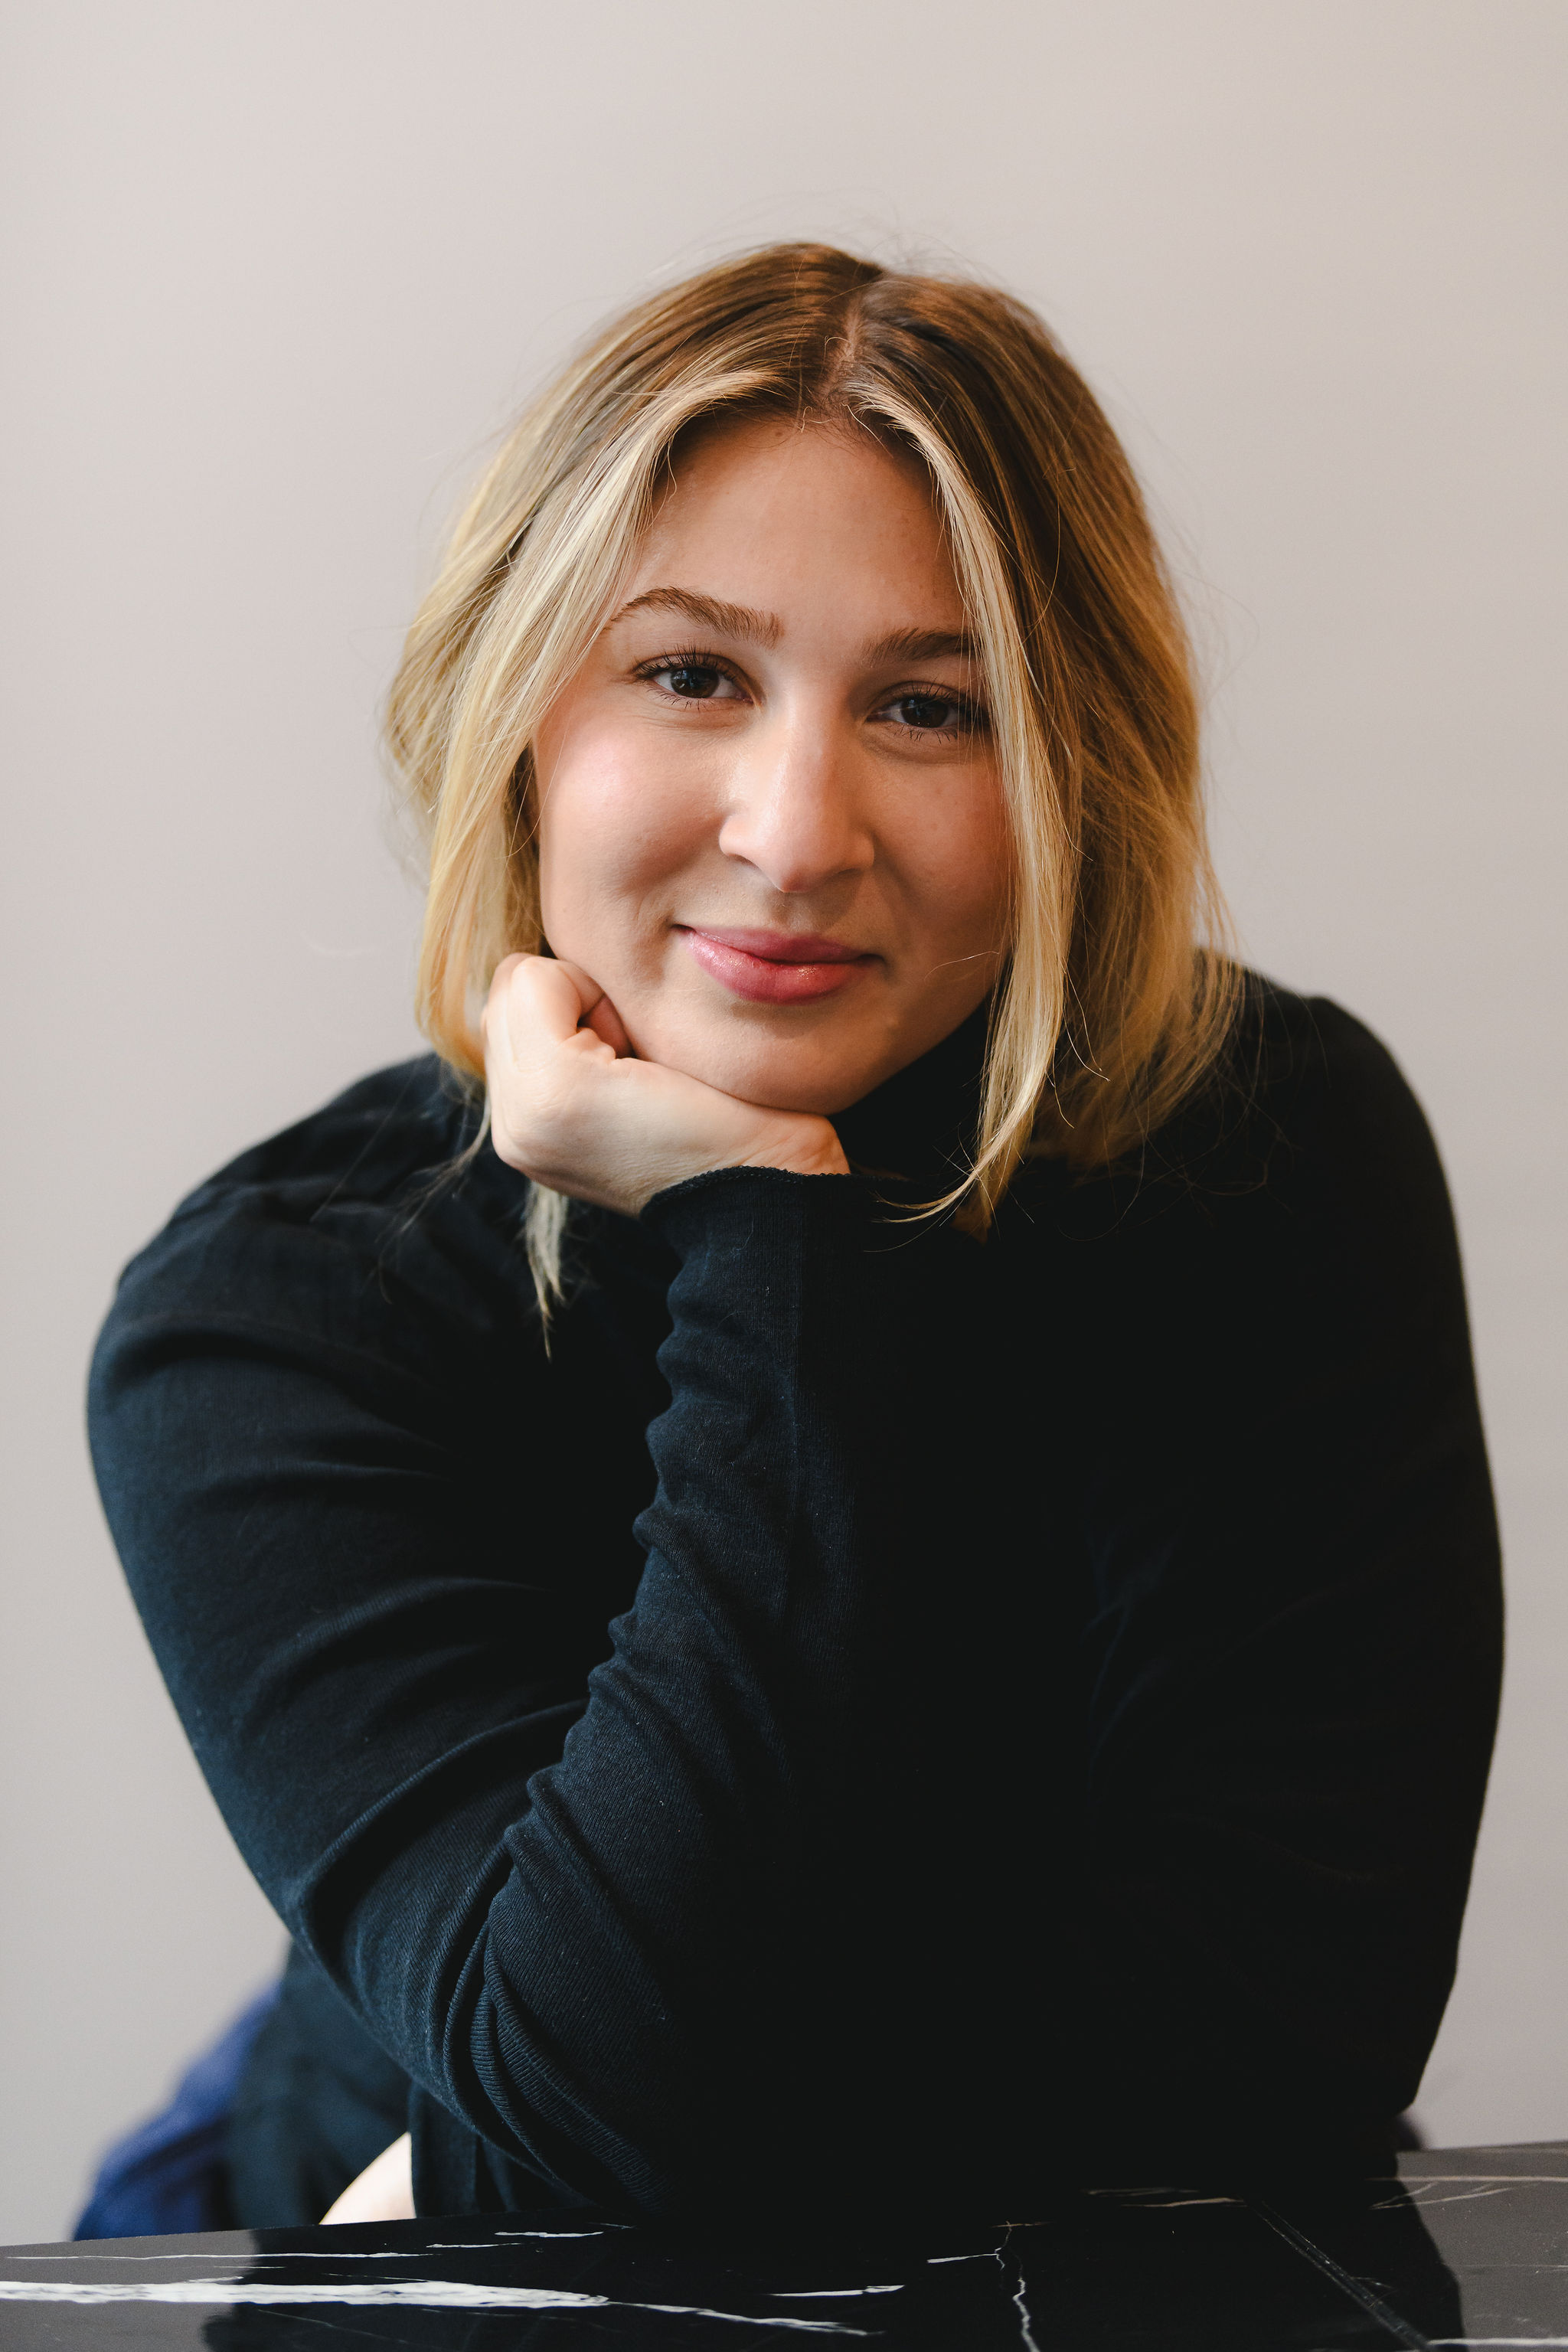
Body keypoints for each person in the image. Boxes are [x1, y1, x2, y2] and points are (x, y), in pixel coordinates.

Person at [87, 243, 1501, 2231]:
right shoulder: (275, 1314)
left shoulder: (1265, 1152)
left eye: (930, 706)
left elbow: (1283, 2048)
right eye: (691, 675)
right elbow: (600, 2117)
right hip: (359, 2240)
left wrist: (508, 2153)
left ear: (1072, 774)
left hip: (694, 2212)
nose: (797, 830)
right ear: (517, 711)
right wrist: (769, 1238)